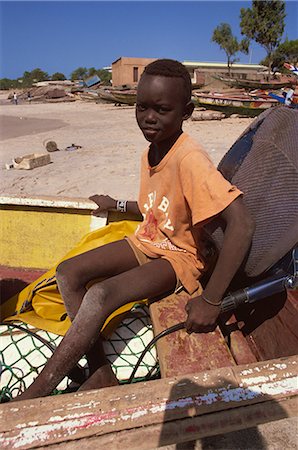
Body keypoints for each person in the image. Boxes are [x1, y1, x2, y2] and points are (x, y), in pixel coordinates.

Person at [15, 59, 255, 400]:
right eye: (142, 107)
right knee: (68, 272)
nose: (149, 117)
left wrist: (211, 299)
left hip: (180, 257)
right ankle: (99, 373)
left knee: (100, 296)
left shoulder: (190, 159)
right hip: (149, 239)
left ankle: (34, 395)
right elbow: (156, 206)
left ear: (186, 112)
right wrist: (118, 206)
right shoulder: (152, 150)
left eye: (162, 109)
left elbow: (242, 223)